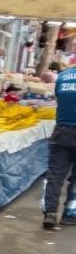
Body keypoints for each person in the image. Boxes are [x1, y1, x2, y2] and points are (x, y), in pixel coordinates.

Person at [42, 64, 76, 229]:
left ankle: (50, 213)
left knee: (55, 175)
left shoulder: (63, 76)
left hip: (61, 130)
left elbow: (58, 98)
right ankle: (70, 214)